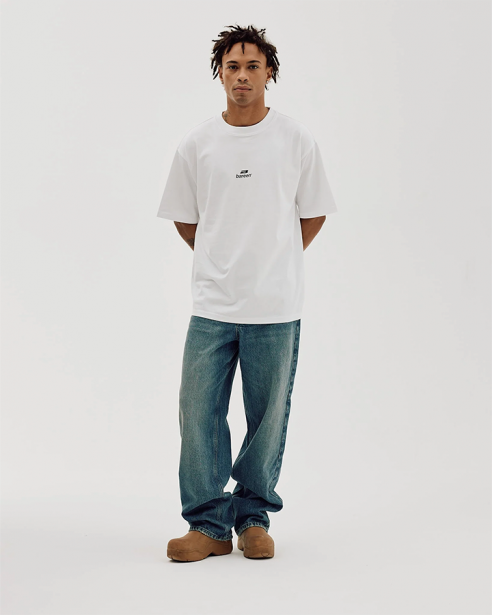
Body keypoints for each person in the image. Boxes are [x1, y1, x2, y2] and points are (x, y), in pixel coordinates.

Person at [157, 24, 338, 562]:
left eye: (252, 66)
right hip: (212, 305)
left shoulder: (295, 139)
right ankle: (208, 525)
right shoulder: (198, 143)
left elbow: (314, 212)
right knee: (198, 414)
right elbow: (185, 218)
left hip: (276, 305)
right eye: (232, 67)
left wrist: (276, 259)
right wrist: (220, 259)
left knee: (267, 417)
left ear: (268, 73)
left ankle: (253, 518)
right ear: (220, 73)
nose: (242, 76)